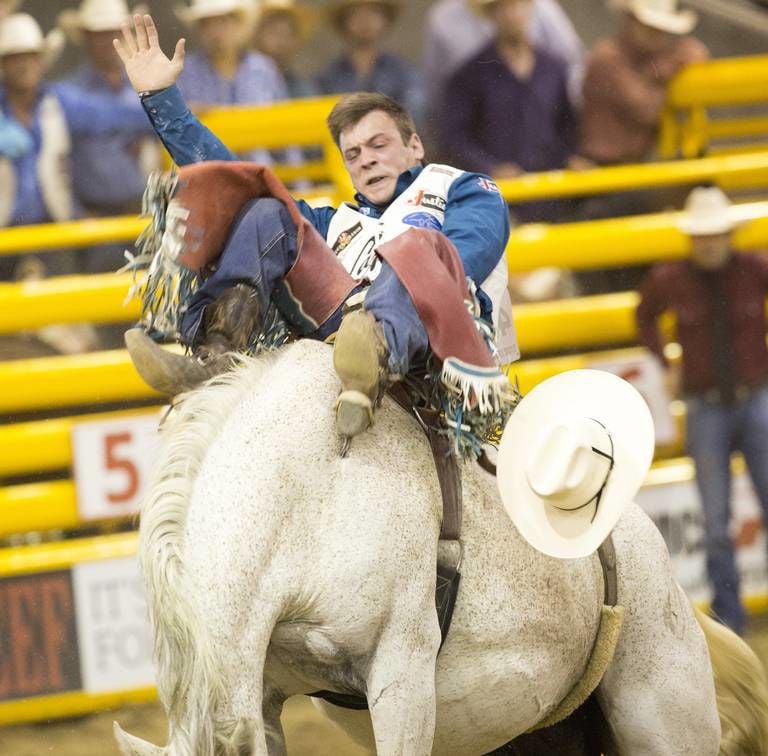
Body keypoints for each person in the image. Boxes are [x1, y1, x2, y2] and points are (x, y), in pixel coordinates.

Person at [114, 14, 516, 442]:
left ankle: (373, 348)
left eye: (379, 145)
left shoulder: (461, 186)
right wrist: (161, 98)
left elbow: (470, 251)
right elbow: (238, 178)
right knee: (267, 211)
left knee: (418, 246)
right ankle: (218, 356)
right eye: (354, 154)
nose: (367, 159)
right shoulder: (336, 221)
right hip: (337, 325)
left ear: (414, 145)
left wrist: (389, 291)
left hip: (431, 338)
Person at [636, 186, 768, 636]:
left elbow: (644, 315)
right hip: (710, 405)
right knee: (715, 522)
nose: (709, 243)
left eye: (715, 234)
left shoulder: (755, 269)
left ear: (728, 235)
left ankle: (731, 617)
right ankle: (731, 619)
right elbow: (644, 316)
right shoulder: (671, 278)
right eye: (703, 235)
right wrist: (665, 360)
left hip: (752, 398)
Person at [0, 12, 149, 256]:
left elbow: (111, 115)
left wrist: (165, 110)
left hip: (56, 229)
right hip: (5, 234)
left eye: (29, 56)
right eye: (14, 58)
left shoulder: (59, 101)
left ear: (40, 62)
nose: (23, 65)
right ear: (3, 65)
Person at [439, 0, 579, 223]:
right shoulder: (469, 75)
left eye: (520, 5)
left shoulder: (554, 68)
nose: (513, 14)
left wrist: (569, 159)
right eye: (504, 7)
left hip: (550, 197)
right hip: (495, 203)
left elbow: (567, 126)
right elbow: (454, 138)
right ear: (491, 14)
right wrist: (490, 168)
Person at [58, 0, 157, 222]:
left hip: (143, 213)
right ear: (86, 38)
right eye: (99, 33)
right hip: (92, 215)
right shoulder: (67, 93)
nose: (110, 41)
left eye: (115, 32)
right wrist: (150, 114)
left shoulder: (143, 86)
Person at [579, 0, 708, 167]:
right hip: (597, 168)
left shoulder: (650, 58)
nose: (658, 35)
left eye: (661, 30)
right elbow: (646, 109)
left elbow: (696, 51)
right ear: (630, 20)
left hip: (628, 169)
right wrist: (665, 70)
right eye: (650, 28)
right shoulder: (607, 58)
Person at [423, 0, 584, 111]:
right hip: (477, 126)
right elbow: (436, 87)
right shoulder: (443, 19)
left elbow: (572, 62)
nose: (511, 15)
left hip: (537, 122)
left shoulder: (543, 9)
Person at [317, 0, 426, 130]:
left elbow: (413, 116)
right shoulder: (328, 77)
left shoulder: (403, 73)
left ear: (385, 19)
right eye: (356, 13)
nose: (365, 20)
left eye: (373, 12)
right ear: (344, 21)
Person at [253, 0, 316, 99]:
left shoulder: (301, 87)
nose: (281, 42)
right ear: (258, 34)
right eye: (274, 32)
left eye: (288, 34)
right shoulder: (246, 80)